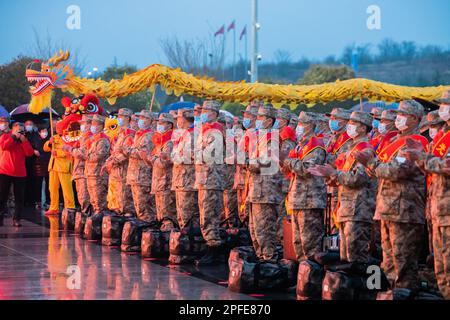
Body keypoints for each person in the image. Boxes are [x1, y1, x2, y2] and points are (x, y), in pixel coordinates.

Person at [355, 100, 428, 292]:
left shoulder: (416, 143)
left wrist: (371, 163)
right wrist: (370, 163)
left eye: (403, 114)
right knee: (387, 263)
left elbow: (397, 171)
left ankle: (404, 294)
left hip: (405, 211)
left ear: (414, 118)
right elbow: (377, 171)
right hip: (387, 208)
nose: (398, 118)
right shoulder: (393, 141)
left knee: (403, 263)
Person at [310, 111, 376, 263]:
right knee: (344, 257)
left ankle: (360, 286)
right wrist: (328, 174)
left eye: (354, 123)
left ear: (362, 128)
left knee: (355, 257)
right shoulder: (350, 150)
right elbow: (343, 176)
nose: (349, 126)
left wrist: (333, 173)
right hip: (347, 207)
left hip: (358, 209)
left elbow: (357, 179)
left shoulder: (365, 150)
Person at [403, 90, 450, 299]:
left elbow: (447, 165)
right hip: (437, 206)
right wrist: (423, 157)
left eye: (445, 105)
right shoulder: (443, 136)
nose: (443, 109)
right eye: (441, 105)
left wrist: (422, 158)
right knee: (440, 263)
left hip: (447, 208)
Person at [283, 111, 327, 261]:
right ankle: (303, 275)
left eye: (302, 124)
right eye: (298, 124)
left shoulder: (316, 146)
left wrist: (286, 160)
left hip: (310, 200)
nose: (298, 127)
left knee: (310, 244)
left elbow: (306, 169)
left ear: (310, 126)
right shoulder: (300, 146)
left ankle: (312, 277)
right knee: (298, 243)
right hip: (298, 198)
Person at [247, 104, 283, 263]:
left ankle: (269, 264)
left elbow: (266, 163)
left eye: (260, 117)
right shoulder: (260, 139)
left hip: (266, 193)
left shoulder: (272, 139)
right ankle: (262, 262)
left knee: (265, 232)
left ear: (269, 121)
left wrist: (245, 162)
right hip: (256, 191)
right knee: (255, 231)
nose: (257, 120)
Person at [194, 100, 226, 265]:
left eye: (206, 110)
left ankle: (214, 248)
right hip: (204, 179)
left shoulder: (216, 132)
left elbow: (207, 155)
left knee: (210, 215)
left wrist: (195, 153)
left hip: (212, 180)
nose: (202, 113)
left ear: (214, 113)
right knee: (204, 214)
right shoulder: (205, 131)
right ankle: (209, 245)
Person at [143, 113, 177, 231]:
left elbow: (163, 163)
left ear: (169, 125)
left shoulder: (169, 142)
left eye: (162, 123)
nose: (159, 125)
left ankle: (168, 237)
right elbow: (154, 161)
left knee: (167, 215)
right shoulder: (159, 142)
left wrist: (150, 158)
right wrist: (149, 158)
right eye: (158, 122)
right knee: (160, 214)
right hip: (158, 182)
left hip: (165, 182)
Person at [0, 122, 34, 226]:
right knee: (2, 197)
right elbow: (5, 146)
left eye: (22, 130)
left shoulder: (24, 140)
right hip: (5, 171)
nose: (21, 132)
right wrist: (14, 137)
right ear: (13, 129)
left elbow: (30, 153)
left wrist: (24, 142)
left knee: (19, 198)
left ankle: (17, 219)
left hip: (20, 173)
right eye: (19, 130)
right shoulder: (5, 136)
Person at [103, 108, 135, 216]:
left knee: (122, 199)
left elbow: (126, 153)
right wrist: (108, 161)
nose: (119, 118)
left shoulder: (129, 134)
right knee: (114, 199)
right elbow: (115, 151)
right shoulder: (121, 134)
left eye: (122, 116)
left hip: (122, 171)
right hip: (115, 171)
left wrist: (114, 161)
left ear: (128, 118)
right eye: (119, 116)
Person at [127, 110, 157, 223]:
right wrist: (131, 150)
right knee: (138, 206)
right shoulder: (139, 134)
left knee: (144, 207)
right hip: (135, 175)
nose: (141, 120)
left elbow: (142, 152)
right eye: (140, 117)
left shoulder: (150, 135)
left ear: (151, 121)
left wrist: (128, 150)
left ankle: (147, 227)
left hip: (143, 176)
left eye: (144, 118)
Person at [171, 108, 199, 229]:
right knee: (181, 213)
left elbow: (188, 156)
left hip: (187, 179)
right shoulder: (184, 133)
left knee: (187, 214)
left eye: (179, 118)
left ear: (185, 119)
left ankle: (188, 241)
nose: (177, 120)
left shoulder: (192, 135)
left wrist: (175, 156)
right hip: (180, 178)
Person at [325, 108, 352, 229]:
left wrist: (324, 157)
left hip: (340, 183)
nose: (331, 121)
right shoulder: (333, 138)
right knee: (329, 216)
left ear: (345, 121)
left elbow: (339, 161)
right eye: (331, 118)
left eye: (335, 119)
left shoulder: (349, 140)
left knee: (336, 218)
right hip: (330, 182)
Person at [234, 103, 259, 226]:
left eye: (248, 115)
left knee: (250, 214)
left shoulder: (257, 134)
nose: (245, 118)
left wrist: (240, 159)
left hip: (250, 178)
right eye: (244, 115)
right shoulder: (247, 133)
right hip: (242, 178)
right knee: (242, 212)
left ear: (255, 117)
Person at [43, 122, 76, 215]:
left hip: (64, 167)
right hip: (53, 167)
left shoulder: (70, 138)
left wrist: (58, 153)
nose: (57, 129)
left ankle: (70, 207)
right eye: (57, 128)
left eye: (59, 127)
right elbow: (45, 148)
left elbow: (71, 152)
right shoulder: (55, 137)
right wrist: (49, 142)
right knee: (52, 188)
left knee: (66, 188)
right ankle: (54, 207)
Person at [275, 108, 297, 243]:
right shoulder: (278, 137)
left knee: (282, 213)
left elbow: (285, 162)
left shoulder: (287, 141)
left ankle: (283, 243)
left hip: (284, 182)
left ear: (284, 121)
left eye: (278, 119)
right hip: (277, 182)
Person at [63, 115, 93, 214]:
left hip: (84, 171)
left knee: (85, 197)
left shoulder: (89, 137)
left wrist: (70, 149)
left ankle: (87, 217)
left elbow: (84, 154)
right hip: (79, 171)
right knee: (81, 196)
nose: (82, 125)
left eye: (84, 123)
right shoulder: (83, 136)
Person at [85, 115, 110, 214]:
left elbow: (97, 157)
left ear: (101, 126)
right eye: (92, 123)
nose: (92, 126)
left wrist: (84, 155)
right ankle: (96, 216)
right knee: (93, 200)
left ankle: (100, 218)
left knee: (99, 200)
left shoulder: (103, 140)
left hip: (98, 175)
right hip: (91, 173)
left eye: (95, 124)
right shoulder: (93, 139)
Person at [33, 125, 51, 210]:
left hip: (48, 164)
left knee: (49, 185)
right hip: (39, 165)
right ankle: (38, 201)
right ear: (39, 132)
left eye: (45, 131)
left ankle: (48, 201)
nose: (44, 133)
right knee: (38, 184)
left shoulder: (50, 140)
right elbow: (36, 152)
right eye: (42, 131)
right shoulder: (36, 141)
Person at [24, 119, 40, 207]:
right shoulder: (23, 134)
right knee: (24, 181)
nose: (28, 125)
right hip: (24, 161)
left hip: (33, 161)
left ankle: (32, 200)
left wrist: (34, 149)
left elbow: (38, 145)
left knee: (33, 182)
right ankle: (24, 200)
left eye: (30, 124)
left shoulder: (36, 135)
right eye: (27, 124)